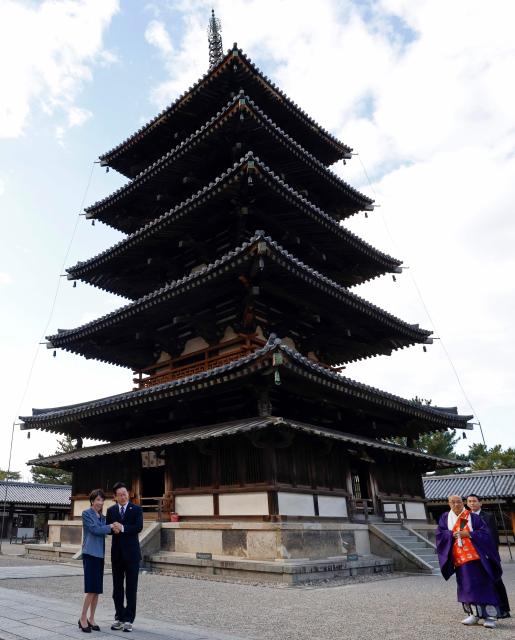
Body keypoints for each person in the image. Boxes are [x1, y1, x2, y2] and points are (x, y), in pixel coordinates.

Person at [436, 495, 503, 628]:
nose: (456, 504)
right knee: (467, 586)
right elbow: (440, 534)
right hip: (459, 558)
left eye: (459, 502)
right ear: (449, 504)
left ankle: (490, 617)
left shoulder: (473, 517)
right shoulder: (445, 518)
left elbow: (486, 534)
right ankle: (474, 614)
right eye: (453, 502)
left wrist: (469, 534)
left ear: (463, 503)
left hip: (477, 557)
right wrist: (450, 534)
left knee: (484, 584)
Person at [106, 482, 143, 633]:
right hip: (117, 555)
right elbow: (108, 528)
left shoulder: (137, 509)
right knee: (117, 588)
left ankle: (129, 619)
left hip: (132, 555)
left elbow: (138, 527)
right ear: (115, 496)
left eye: (125, 493)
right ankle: (119, 617)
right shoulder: (111, 510)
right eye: (120, 494)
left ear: (128, 494)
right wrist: (112, 529)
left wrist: (122, 527)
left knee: (131, 588)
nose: (123, 496)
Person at [466, 493, 511, 618]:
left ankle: (504, 609)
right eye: (469, 501)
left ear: (480, 503)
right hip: (471, 554)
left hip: (487, 553)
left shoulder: (488, 516)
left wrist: (491, 553)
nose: (472, 503)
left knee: (496, 579)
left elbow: (492, 536)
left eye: (474, 501)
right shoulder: (465, 517)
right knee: (476, 581)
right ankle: (480, 611)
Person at [79, 489, 117, 633]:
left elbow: (105, 529)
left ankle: (91, 618)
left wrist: (114, 526)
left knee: (96, 590)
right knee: (90, 589)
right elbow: (95, 529)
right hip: (90, 553)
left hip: (99, 555)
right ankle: (82, 618)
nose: (100, 503)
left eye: (102, 500)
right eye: (98, 500)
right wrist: (110, 527)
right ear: (92, 501)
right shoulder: (86, 514)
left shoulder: (102, 517)